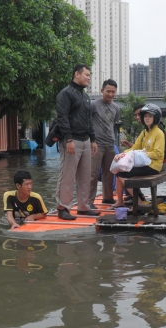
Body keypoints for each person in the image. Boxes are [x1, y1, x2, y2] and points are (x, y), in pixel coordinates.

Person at [54, 64, 99, 220]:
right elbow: (62, 117)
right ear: (77, 74)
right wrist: (68, 139)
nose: (89, 77)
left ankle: (84, 207)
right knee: (67, 175)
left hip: (86, 140)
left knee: (85, 176)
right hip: (72, 141)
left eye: (89, 75)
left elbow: (89, 120)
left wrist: (93, 139)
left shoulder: (85, 96)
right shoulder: (65, 94)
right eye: (86, 74)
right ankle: (62, 208)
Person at [110, 104, 165, 209]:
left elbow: (159, 154)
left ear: (155, 118)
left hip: (153, 166)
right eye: (145, 116)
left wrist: (143, 154)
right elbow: (134, 148)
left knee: (122, 174)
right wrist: (122, 154)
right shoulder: (144, 132)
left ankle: (139, 202)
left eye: (150, 116)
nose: (147, 118)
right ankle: (120, 201)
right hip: (144, 163)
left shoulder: (159, 133)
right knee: (118, 170)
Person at [89, 79, 120, 208]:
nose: (110, 94)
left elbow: (112, 124)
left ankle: (107, 198)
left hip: (110, 144)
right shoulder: (93, 104)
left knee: (110, 173)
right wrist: (92, 140)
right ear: (102, 91)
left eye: (113, 92)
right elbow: (88, 122)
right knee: (93, 173)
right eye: (108, 91)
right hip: (97, 144)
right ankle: (88, 201)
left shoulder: (116, 108)